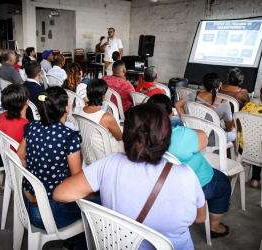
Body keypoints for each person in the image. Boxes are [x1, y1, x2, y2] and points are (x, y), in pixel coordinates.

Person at [53, 103, 206, 250]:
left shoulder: (109, 164)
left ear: (127, 135)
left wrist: (102, 189)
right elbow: (199, 218)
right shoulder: (186, 175)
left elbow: (60, 193)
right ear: (166, 139)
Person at [148, 93, 232, 238]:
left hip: (158, 187)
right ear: (171, 114)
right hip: (198, 185)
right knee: (224, 184)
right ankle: (214, 226)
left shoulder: (139, 136)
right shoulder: (180, 135)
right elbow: (204, 139)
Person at [17, 87, 86, 248]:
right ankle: (74, 243)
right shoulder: (69, 137)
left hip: (28, 205)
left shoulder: (32, 127)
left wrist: (38, 172)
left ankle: (73, 240)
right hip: (53, 213)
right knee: (100, 203)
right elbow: (77, 179)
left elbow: (20, 156)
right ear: (66, 108)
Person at [175, 72, 235, 146]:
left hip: (194, 136)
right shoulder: (224, 103)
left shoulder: (195, 95)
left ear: (203, 85)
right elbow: (229, 127)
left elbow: (177, 104)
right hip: (212, 140)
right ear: (220, 85)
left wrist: (187, 120)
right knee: (235, 134)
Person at [78, 79, 124, 159]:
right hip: (107, 155)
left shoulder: (80, 111)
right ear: (104, 95)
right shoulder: (106, 118)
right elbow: (119, 137)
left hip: (89, 154)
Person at [238, 86, 262, 188]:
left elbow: (238, 125)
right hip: (259, 152)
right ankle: (255, 178)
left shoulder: (249, 106)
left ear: (260, 95)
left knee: (255, 143)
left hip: (244, 148)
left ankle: (255, 178)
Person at [0, 84, 29, 148]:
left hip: (6, 153)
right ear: (27, 101)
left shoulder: (1, 116)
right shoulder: (25, 126)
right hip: (18, 156)